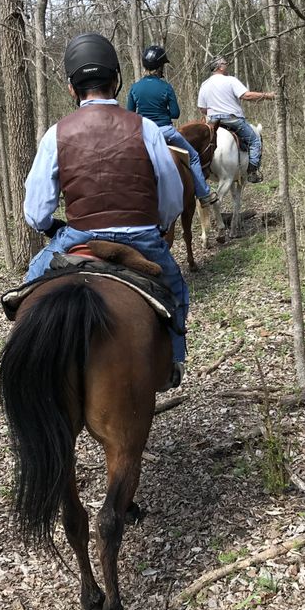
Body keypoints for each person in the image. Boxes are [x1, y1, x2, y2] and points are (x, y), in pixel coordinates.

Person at [22, 32, 189, 389]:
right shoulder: (145, 128)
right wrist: (157, 224)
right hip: (142, 236)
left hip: (81, 235)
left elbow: (36, 211)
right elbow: (172, 196)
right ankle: (173, 362)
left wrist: (52, 227)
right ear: (117, 81)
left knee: (29, 286)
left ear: (71, 88)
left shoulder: (56, 133)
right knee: (176, 291)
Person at [126, 44, 219, 208]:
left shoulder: (135, 88)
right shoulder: (166, 87)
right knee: (194, 157)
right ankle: (204, 195)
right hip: (166, 132)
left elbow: (130, 114)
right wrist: (162, 115)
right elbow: (175, 113)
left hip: (143, 134)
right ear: (160, 66)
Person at [197, 56, 275, 183]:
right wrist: (267, 95)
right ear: (220, 66)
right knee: (255, 141)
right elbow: (246, 95)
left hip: (212, 122)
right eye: (225, 63)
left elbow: (202, 108)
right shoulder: (230, 80)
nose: (226, 65)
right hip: (232, 120)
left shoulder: (204, 84)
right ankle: (252, 172)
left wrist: (215, 111)